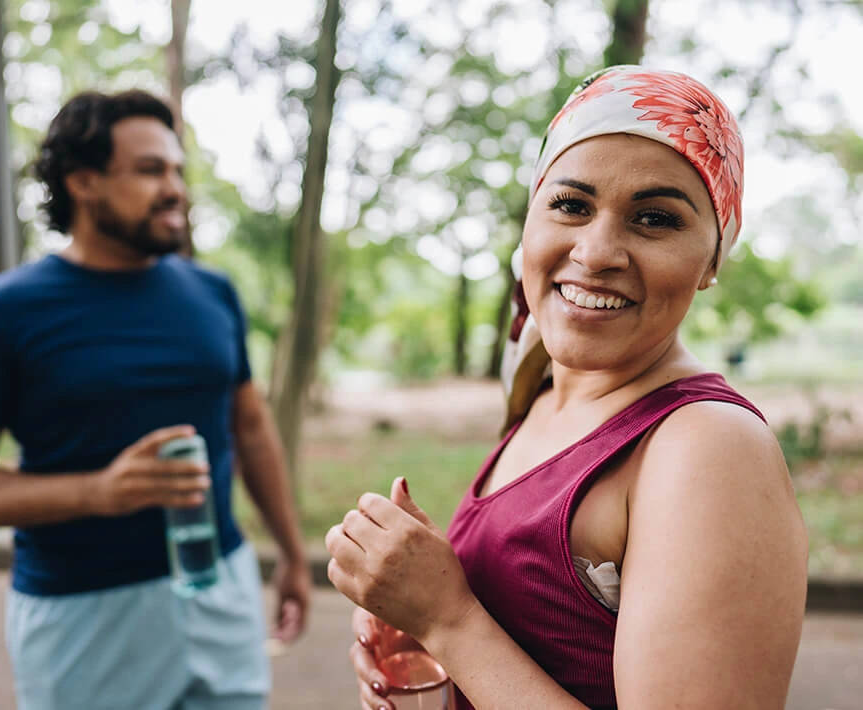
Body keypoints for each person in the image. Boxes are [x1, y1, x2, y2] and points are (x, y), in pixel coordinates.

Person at [325, 66, 808, 710]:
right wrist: (418, 612)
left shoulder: (708, 447)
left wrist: (450, 621)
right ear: (530, 220)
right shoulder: (545, 390)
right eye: (571, 205)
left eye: (655, 218)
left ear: (713, 260)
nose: (598, 250)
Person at [0, 89, 311, 709]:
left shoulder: (214, 292)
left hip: (222, 587)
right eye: (151, 170)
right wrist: (98, 491)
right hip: (79, 615)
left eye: (178, 170)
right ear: (84, 182)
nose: (176, 189)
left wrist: (290, 554)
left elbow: (250, 425)